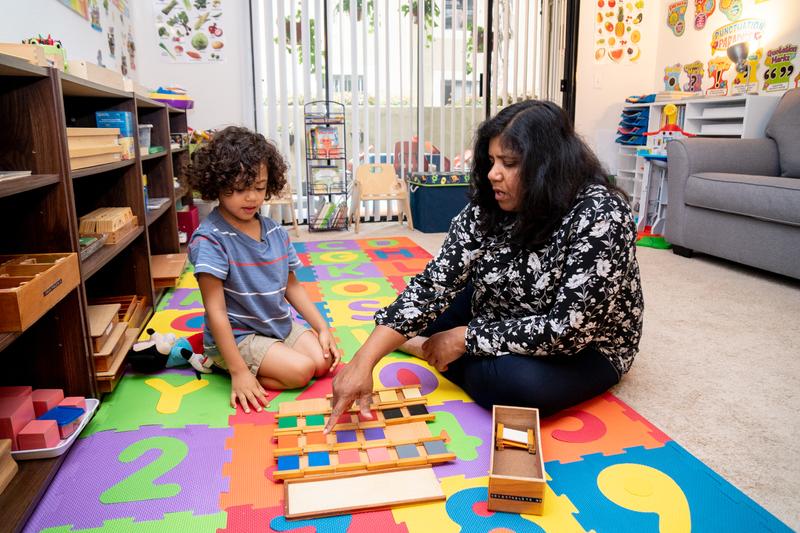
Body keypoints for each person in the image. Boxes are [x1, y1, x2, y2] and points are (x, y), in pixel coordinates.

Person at [325, 100, 643, 432]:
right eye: (491, 161)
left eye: (509, 163)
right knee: (407, 319)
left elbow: (568, 330)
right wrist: (363, 362)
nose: (494, 173)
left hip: (582, 345)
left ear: (548, 166)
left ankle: (431, 348)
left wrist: (465, 338)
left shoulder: (602, 213)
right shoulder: (492, 202)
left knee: (514, 387)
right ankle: (436, 343)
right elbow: (432, 286)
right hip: (497, 305)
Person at [188, 126, 341, 414]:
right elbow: (216, 312)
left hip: (276, 324)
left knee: (322, 362)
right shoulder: (210, 239)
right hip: (239, 335)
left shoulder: (274, 231)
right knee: (302, 371)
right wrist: (239, 372)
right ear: (217, 184)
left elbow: (292, 286)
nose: (251, 198)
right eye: (239, 189)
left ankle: (261, 361)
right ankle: (220, 361)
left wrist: (322, 327)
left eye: (259, 187)